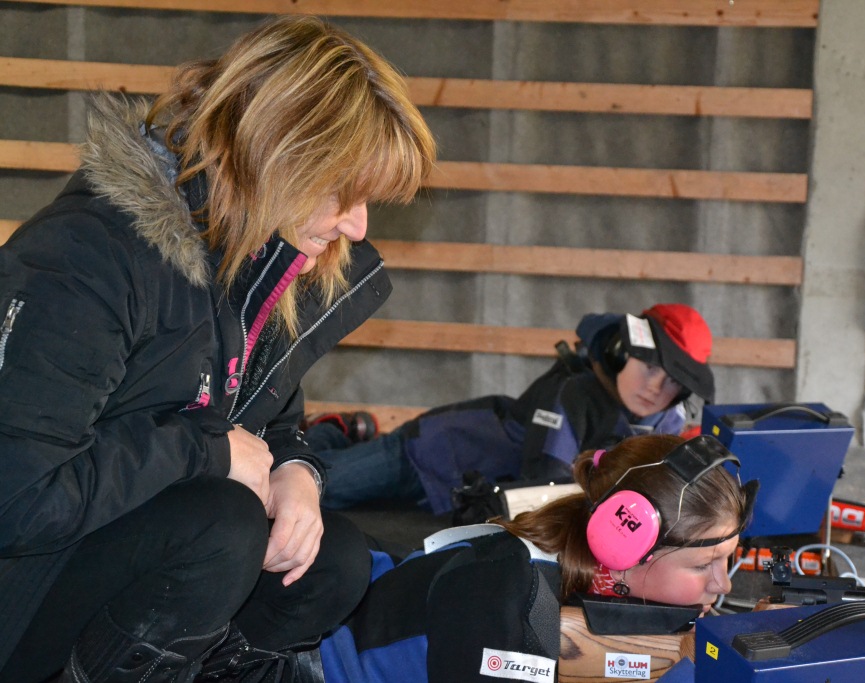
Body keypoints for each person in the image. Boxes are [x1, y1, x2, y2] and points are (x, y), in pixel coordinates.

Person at [0, 16, 435, 683]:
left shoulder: (257, 261)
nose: (359, 223)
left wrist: (297, 474)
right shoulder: (85, 260)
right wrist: (206, 451)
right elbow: (17, 497)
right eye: (344, 193)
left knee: (329, 562)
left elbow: (272, 421)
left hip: (112, 551)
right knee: (222, 525)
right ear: (280, 157)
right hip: (20, 589)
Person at [318, 433, 756, 681]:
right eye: (703, 565)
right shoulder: (515, 604)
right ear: (623, 547)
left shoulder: (565, 565)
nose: (725, 584)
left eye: (726, 560)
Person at [306, 303, 717, 516]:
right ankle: (322, 433)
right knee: (314, 490)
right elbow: (548, 487)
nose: (656, 389)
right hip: (430, 454)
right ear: (622, 350)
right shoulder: (574, 392)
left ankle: (343, 432)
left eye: (675, 382)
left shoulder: (671, 420)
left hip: (463, 491)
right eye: (649, 368)